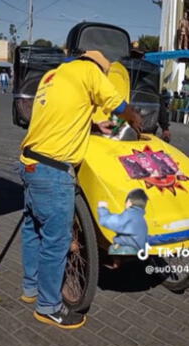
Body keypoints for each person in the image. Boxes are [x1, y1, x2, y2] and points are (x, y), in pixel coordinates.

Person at [18, 50, 142, 329]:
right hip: (53, 170)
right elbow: (118, 104)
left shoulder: (53, 76)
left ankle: (30, 288)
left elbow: (61, 113)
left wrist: (93, 122)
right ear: (98, 68)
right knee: (57, 240)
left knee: (33, 228)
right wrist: (133, 118)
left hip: (29, 163)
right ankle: (48, 307)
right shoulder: (90, 73)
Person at [98, 189, 149, 256]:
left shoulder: (129, 215)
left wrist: (102, 209)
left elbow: (111, 222)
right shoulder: (142, 220)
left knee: (112, 248)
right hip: (140, 251)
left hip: (128, 250)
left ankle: (116, 263)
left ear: (129, 202)